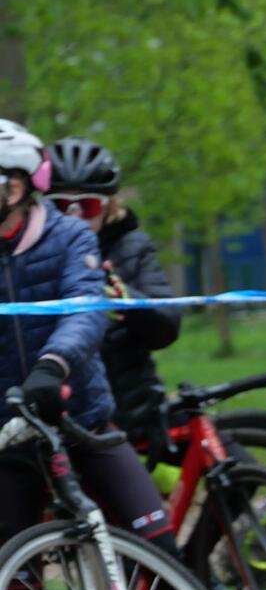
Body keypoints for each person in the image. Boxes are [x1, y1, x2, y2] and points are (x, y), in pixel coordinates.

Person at [0, 119, 234, 590]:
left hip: (84, 418)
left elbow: (86, 308)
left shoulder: (69, 235)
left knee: (155, 542)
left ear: (28, 185)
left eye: (1, 182)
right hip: (7, 434)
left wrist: (54, 365)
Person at [45, 137, 182, 449]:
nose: (74, 216)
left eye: (88, 206)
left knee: (231, 463)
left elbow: (167, 327)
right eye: (60, 205)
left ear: (108, 206)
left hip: (137, 411)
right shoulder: (30, 254)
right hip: (64, 416)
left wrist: (125, 298)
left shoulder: (132, 245)